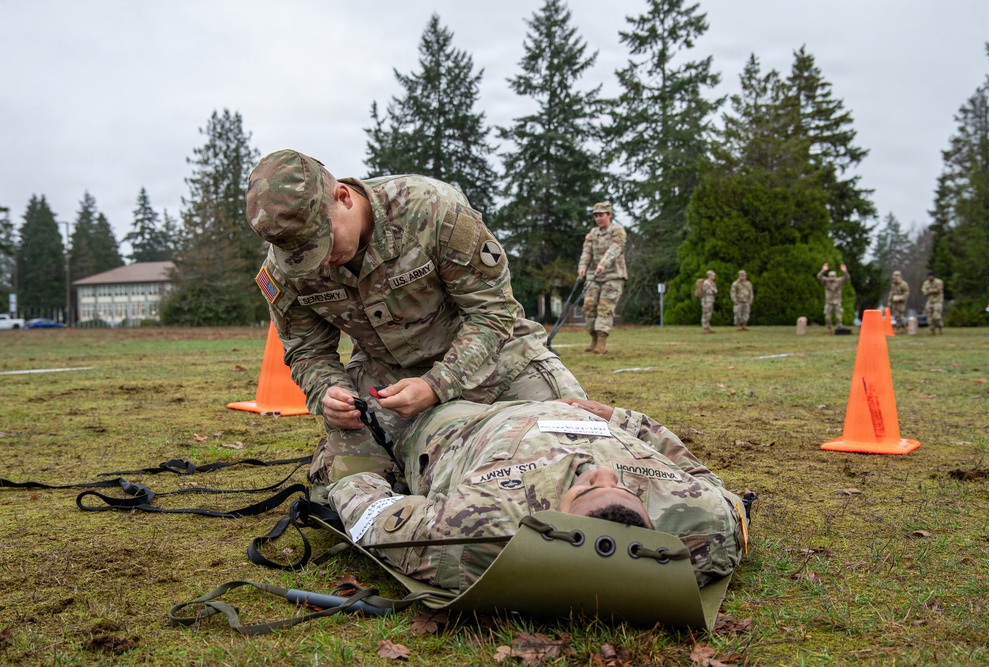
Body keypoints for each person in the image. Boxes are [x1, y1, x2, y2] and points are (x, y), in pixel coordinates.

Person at [245, 149, 587, 482]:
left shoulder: (432, 210)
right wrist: (328, 392)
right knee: (347, 484)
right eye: (299, 256)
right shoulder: (283, 272)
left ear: (344, 197)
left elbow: (493, 312)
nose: (318, 262)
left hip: (495, 363)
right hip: (388, 386)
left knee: (577, 446)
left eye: (322, 242)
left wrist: (437, 385)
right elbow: (307, 351)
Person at [318, 397, 748, 594]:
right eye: (623, 487)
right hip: (559, 402)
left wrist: (354, 476)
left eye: (585, 489)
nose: (602, 472)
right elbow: (698, 475)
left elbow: (376, 515)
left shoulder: (476, 531)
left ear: (555, 527)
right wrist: (624, 419)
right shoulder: (704, 527)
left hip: (453, 422)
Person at [577, 202, 627, 355]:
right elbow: (586, 252)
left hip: (613, 276)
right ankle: (593, 338)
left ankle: (601, 342)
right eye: (596, 216)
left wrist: (603, 264)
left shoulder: (617, 230)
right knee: (588, 306)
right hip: (594, 276)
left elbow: (615, 249)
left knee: (605, 308)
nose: (598, 218)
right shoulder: (592, 233)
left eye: (601, 215)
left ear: (609, 215)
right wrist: (582, 267)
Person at [817, 263, 850, 332]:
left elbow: (847, 278)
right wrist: (823, 270)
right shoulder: (826, 281)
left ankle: (839, 328)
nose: (832, 279)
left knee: (838, 317)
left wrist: (845, 271)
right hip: (829, 301)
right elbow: (819, 277)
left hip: (837, 301)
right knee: (827, 317)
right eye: (830, 277)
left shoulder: (839, 281)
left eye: (833, 277)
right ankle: (829, 328)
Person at [921, 270, 945, 335]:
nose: (930, 277)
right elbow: (924, 291)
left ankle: (940, 327)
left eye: (931, 276)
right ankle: (932, 331)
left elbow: (938, 290)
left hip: (938, 301)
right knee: (929, 317)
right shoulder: (926, 283)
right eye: (929, 276)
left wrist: (929, 291)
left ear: (934, 276)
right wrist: (931, 291)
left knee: (936, 316)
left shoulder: (939, 282)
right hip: (930, 301)